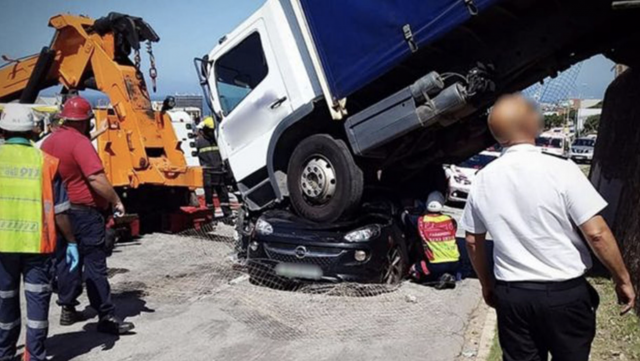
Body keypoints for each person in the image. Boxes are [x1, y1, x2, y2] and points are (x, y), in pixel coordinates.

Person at [461, 94, 636, 361]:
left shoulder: (483, 179)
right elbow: (597, 233)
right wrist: (622, 279)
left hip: (513, 294)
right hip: (564, 293)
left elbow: (473, 241)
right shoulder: (561, 169)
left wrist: (487, 285)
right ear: (528, 125)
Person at [41, 96, 134, 335]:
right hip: (85, 214)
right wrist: (115, 199)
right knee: (95, 264)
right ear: (84, 121)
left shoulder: (49, 143)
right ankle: (105, 316)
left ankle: (68, 307)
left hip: (59, 213)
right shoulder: (80, 143)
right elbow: (95, 178)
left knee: (67, 261)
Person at [0, 104, 77, 361]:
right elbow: (60, 211)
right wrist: (72, 242)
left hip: (2, 245)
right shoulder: (45, 162)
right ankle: (34, 356)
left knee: (4, 301)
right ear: (34, 131)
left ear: (3, 130)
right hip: (37, 244)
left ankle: (4, 352)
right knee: (37, 303)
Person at [407, 191, 460, 289]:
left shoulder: (420, 221)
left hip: (435, 264)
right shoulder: (450, 220)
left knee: (414, 270)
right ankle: (449, 276)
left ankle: (435, 278)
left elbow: (405, 218)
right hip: (454, 262)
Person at [196, 116, 231, 217]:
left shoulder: (218, 140)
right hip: (208, 173)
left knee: (223, 194)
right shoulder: (199, 142)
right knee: (209, 196)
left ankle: (227, 214)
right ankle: (210, 215)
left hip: (218, 171)